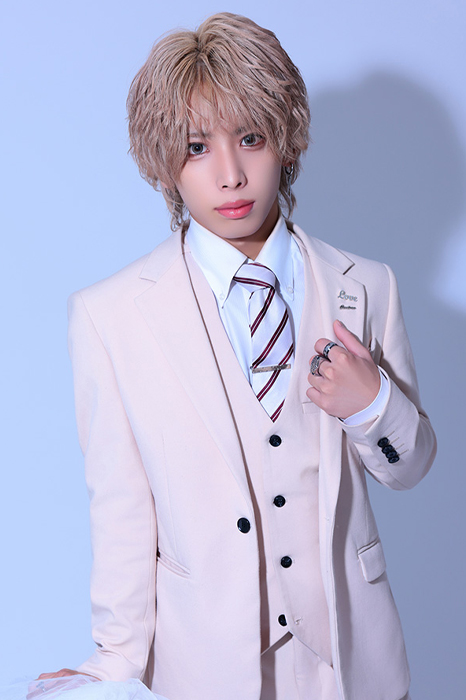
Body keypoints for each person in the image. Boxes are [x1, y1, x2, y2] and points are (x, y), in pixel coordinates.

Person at [37, 12, 436, 700]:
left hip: (353, 664)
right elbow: (122, 507)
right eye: (197, 147)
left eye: (251, 138)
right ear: (163, 161)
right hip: (206, 668)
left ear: (287, 138)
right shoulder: (110, 317)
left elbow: (412, 465)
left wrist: (372, 404)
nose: (230, 175)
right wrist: (115, 657)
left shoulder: (367, 286)